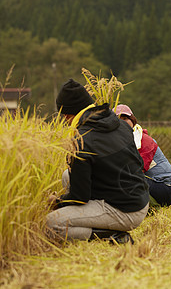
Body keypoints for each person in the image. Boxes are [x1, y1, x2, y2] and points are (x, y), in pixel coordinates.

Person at [46, 79, 149, 243]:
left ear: (67, 116)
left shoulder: (81, 140)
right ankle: (102, 225)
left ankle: (110, 236)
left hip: (125, 210)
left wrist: (58, 202)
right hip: (139, 198)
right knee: (68, 176)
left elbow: (80, 197)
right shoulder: (119, 124)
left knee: (51, 223)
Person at [114, 104, 171, 208]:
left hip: (166, 187)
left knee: (124, 180)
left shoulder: (143, 140)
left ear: (132, 120)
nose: (122, 122)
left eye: (125, 118)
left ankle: (148, 207)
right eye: (118, 119)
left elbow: (137, 169)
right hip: (151, 183)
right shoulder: (121, 142)